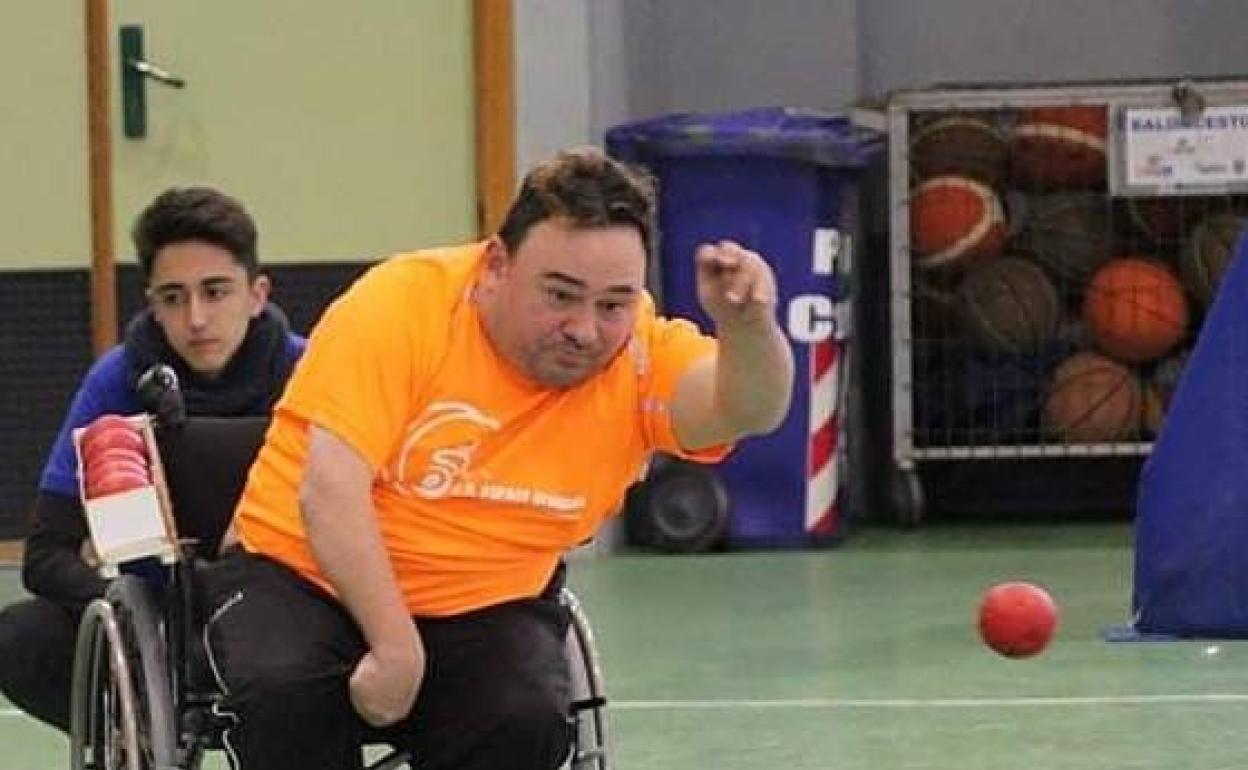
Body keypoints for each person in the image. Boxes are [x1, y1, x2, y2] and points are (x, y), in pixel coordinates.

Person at [201, 146, 794, 770]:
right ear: (495, 265)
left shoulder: (638, 355)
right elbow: (329, 492)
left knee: (523, 717)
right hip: (306, 576)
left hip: (487, 601)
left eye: (613, 304)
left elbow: (746, 408)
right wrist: (395, 643)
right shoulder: (401, 306)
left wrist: (749, 328)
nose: (586, 329)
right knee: (284, 695)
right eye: (561, 295)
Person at [0, 186, 306, 733]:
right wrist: (132, 615)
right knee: (19, 638)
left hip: (282, 608)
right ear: (151, 305)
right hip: (159, 618)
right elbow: (46, 553)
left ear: (257, 294)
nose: (196, 318)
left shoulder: (309, 371)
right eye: (173, 297)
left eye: (216, 292)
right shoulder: (117, 379)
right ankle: (147, 731)